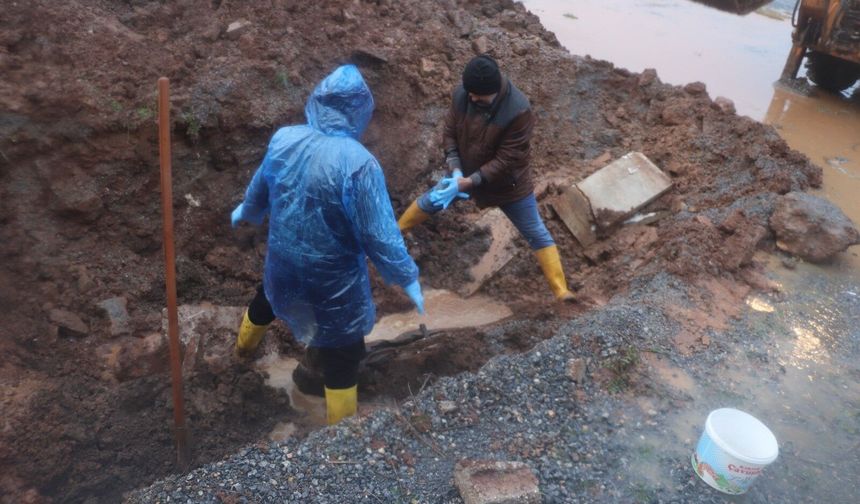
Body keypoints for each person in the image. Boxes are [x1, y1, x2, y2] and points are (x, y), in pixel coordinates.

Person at [231, 64, 424, 425]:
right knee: (344, 352)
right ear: (360, 110)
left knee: (267, 300)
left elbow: (260, 189)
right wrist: (407, 276)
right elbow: (379, 236)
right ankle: (341, 436)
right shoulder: (359, 163)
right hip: (333, 276)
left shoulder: (284, 139)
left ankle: (241, 353)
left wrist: (248, 211)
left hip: (284, 261)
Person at [397, 55, 575, 302]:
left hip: (508, 184)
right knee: (431, 200)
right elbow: (449, 133)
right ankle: (394, 235)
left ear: (492, 91)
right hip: (465, 174)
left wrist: (469, 181)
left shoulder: (518, 110)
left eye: (478, 96)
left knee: (535, 232)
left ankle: (561, 292)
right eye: (469, 93)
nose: (472, 98)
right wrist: (456, 170)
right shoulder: (463, 95)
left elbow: (507, 159)